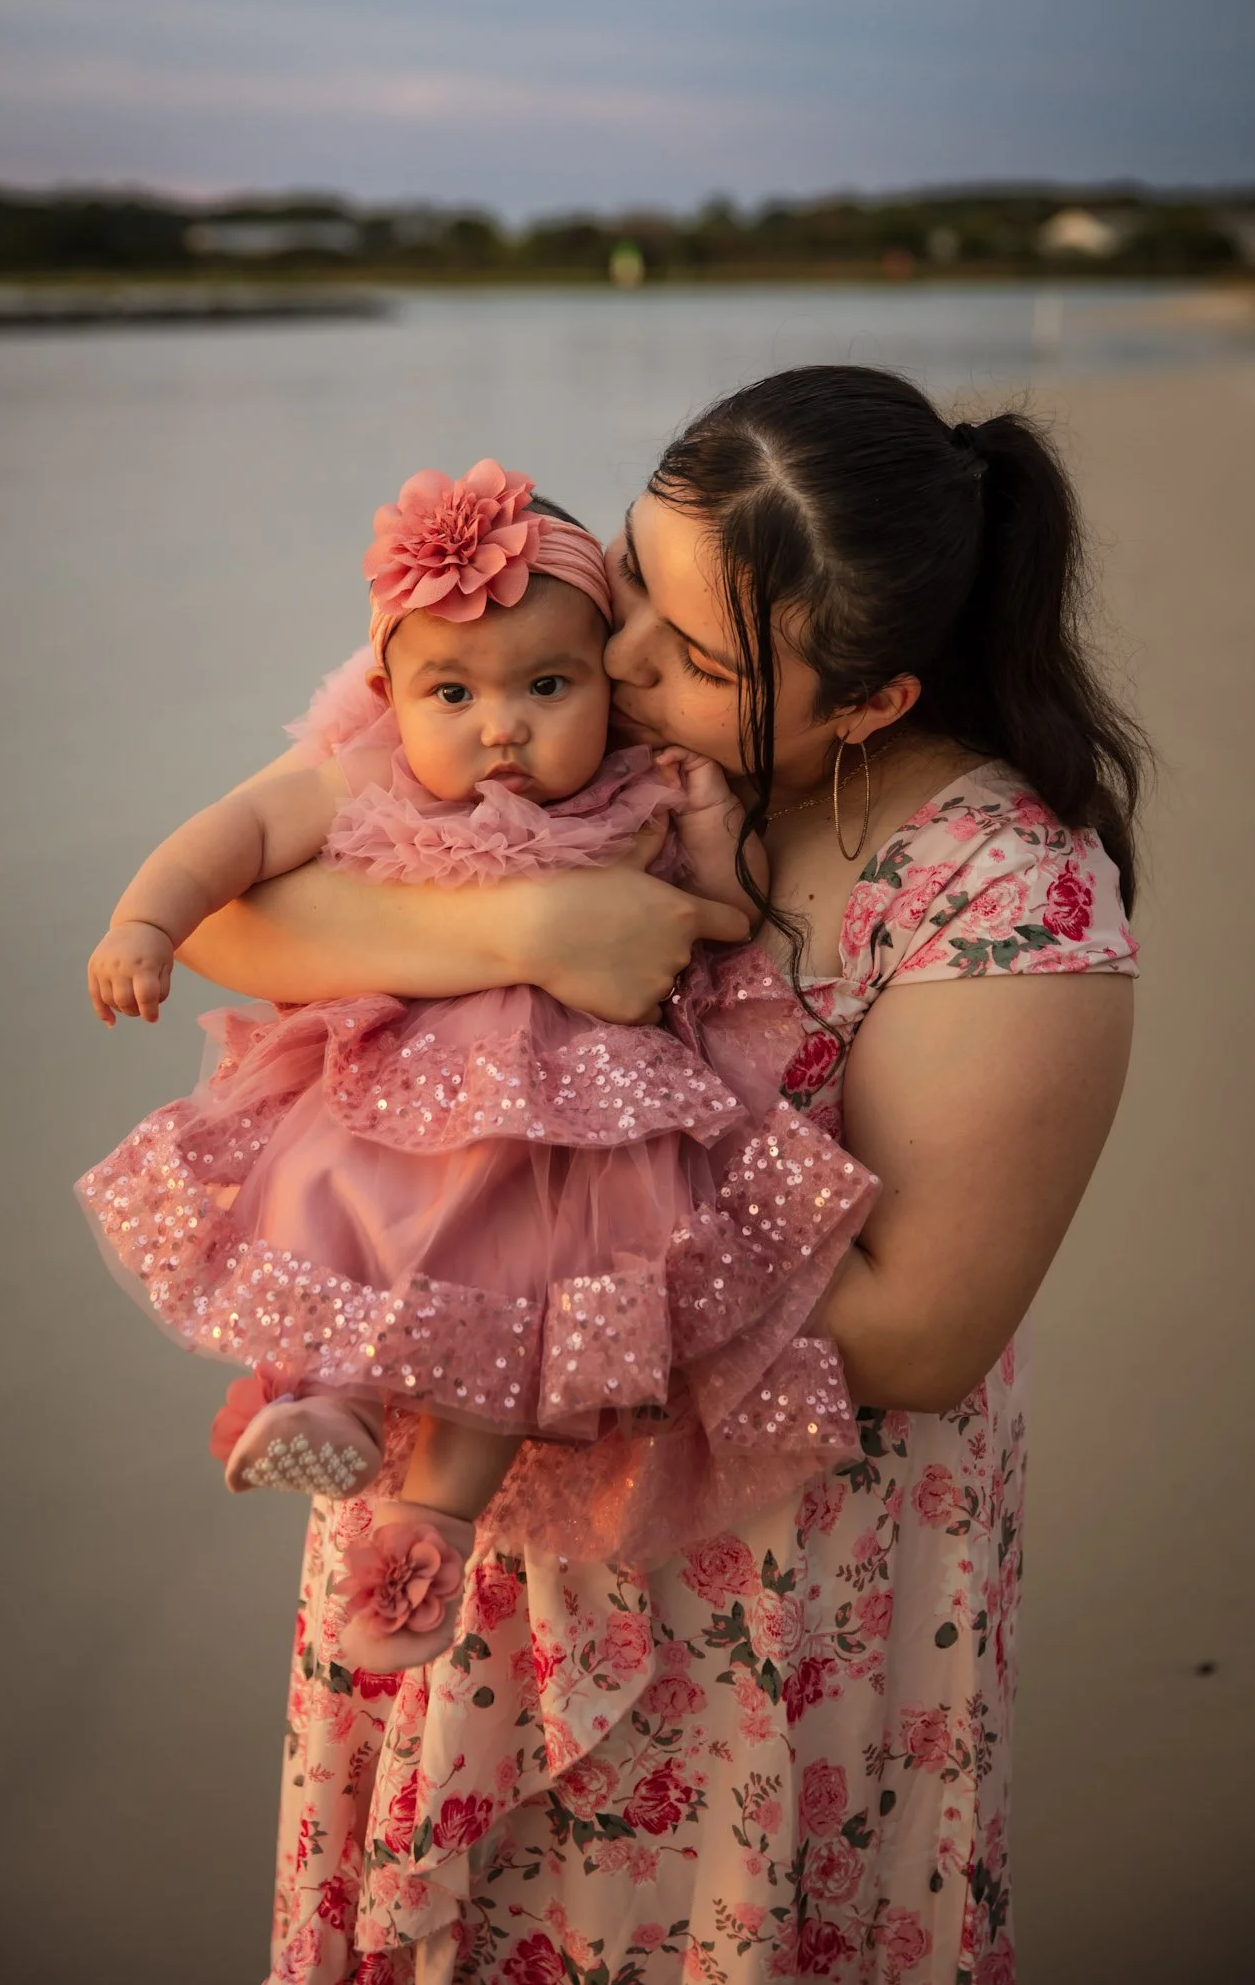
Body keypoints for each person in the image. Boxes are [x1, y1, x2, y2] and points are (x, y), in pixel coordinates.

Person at [176, 367, 1143, 1982]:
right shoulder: (555, 697)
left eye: (693, 657)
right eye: (634, 578)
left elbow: (919, 1334)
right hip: (465, 1565)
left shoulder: (1005, 896)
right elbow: (228, 905)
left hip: (759, 1618)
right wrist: (526, 930)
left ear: (869, 703)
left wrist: (569, 1204)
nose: (621, 661)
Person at [79, 460, 875, 1674]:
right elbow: (236, 835)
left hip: (574, 1128)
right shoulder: (376, 772)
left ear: (602, 676)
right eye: (452, 692)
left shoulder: (641, 790)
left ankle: (431, 1527)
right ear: (389, 695)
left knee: (524, 1304)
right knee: (335, 1202)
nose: (500, 725)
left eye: (547, 685)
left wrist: (711, 830)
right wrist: (144, 919)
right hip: (405, 1098)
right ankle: (326, 1395)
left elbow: (718, 925)